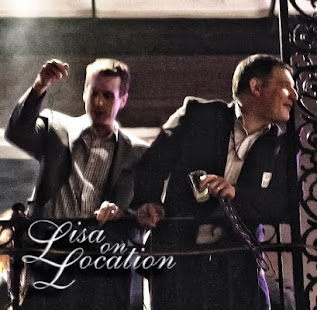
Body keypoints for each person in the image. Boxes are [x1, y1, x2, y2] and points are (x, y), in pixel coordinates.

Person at [132, 54, 297, 310]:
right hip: (178, 258)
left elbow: (284, 205)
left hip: (236, 267)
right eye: (286, 86)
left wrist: (236, 194)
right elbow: (152, 163)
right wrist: (149, 201)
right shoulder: (196, 115)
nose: (294, 96)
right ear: (256, 87)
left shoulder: (282, 147)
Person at [4, 58, 148, 309]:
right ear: (84, 92)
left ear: (123, 100)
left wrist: (122, 212)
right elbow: (17, 131)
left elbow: (146, 211)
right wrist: (40, 85)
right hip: (48, 260)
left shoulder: (138, 153)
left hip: (102, 268)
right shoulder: (55, 128)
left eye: (108, 96)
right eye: (94, 93)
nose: (99, 102)